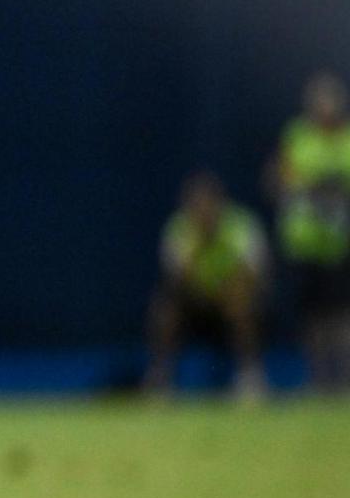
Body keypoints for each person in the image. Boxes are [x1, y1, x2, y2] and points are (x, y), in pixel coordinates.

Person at [145, 172, 269, 398]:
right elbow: (175, 279)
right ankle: (160, 377)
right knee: (164, 309)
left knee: (239, 299)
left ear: (220, 202)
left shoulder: (240, 225)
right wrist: (200, 245)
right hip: (195, 304)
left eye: (208, 203)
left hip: (231, 302)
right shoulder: (179, 228)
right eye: (196, 204)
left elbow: (256, 275)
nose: (203, 210)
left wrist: (227, 287)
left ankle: (250, 377)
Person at [275, 72, 350, 390]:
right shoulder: (298, 135)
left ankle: (345, 376)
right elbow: (279, 179)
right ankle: (319, 378)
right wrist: (309, 189)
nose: (326, 109)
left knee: (342, 312)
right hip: (303, 241)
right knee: (312, 314)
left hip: (340, 241)